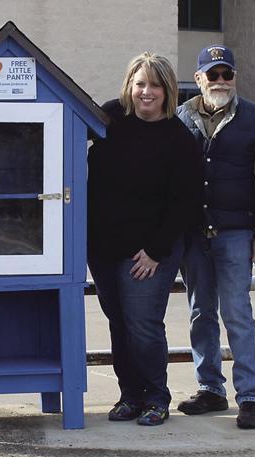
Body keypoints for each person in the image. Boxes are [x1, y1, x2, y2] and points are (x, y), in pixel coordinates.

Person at [87, 52, 201, 426]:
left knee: (142, 323)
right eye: (140, 84)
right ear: (129, 86)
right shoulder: (109, 118)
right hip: (104, 246)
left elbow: (183, 203)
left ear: (168, 90)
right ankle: (129, 395)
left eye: (154, 85)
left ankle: (156, 396)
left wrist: (155, 251)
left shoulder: (179, 139)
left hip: (152, 250)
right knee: (118, 322)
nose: (146, 92)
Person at [175, 45, 255, 429]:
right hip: (193, 234)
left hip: (236, 233)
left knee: (238, 314)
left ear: (234, 77)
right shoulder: (180, 116)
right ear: (199, 77)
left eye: (227, 74)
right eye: (213, 74)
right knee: (200, 313)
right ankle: (210, 390)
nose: (221, 81)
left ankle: (251, 396)